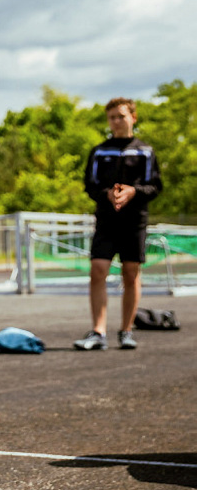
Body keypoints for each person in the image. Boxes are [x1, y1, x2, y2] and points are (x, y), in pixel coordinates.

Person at [73, 98, 163, 351]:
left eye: (121, 116)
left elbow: (155, 186)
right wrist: (107, 195)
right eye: (111, 117)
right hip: (106, 220)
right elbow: (90, 185)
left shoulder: (145, 151)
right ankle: (98, 332)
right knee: (98, 269)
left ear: (132, 117)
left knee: (131, 272)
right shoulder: (99, 151)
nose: (116, 121)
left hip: (134, 221)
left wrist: (133, 192)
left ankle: (126, 330)